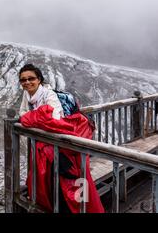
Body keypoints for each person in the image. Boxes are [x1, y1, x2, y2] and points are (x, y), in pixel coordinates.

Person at [17, 63, 104, 213]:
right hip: (45, 148)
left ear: (39, 80)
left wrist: (33, 119)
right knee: (50, 183)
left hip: (60, 147)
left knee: (66, 184)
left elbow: (55, 120)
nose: (27, 82)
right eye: (23, 80)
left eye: (31, 78)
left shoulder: (49, 95)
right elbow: (23, 115)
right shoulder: (27, 95)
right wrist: (36, 118)